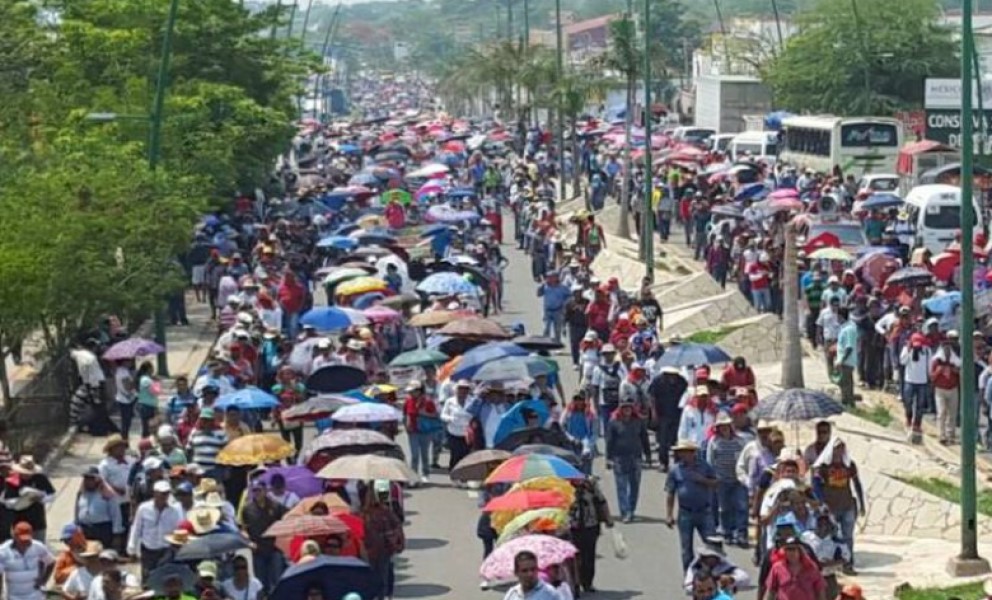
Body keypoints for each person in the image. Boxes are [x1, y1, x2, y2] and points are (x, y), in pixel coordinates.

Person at [811, 438, 864, 575]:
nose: (839, 452)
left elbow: (856, 483)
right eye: (836, 449)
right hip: (830, 507)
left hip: (847, 505)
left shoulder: (849, 465)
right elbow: (815, 484)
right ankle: (831, 562)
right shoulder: (823, 467)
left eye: (841, 448)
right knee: (832, 536)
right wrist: (821, 502)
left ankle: (848, 564)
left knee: (848, 536)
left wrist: (861, 502)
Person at [666, 439, 719, 571]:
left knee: (712, 545)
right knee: (686, 549)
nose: (682, 455)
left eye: (685, 452)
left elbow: (716, 482)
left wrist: (703, 480)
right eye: (680, 452)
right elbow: (670, 493)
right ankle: (689, 577)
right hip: (685, 513)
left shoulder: (704, 466)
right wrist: (669, 514)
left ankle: (712, 575)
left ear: (692, 453)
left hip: (704, 511)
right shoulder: (675, 470)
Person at [605, 399, 650, 523]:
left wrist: (648, 455)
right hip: (619, 458)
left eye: (629, 408)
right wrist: (608, 458)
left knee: (635, 485)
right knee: (621, 486)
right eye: (624, 408)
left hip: (635, 457)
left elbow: (644, 438)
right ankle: (624, 512)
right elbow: (609, 441)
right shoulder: (614, 423)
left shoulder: (638, 422)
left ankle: (631, 509)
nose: (627, 410)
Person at [239, 481, 286, 592]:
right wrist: (248, 542)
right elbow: (243, 529)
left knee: (276, 582)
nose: (257, 493)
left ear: (265, 490)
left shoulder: (276, 506)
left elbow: (284, 523)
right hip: (258, 549)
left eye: (259, 490)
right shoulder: (247, 508)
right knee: (261, 584)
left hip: (275, 548)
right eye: (254, 490)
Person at [569, 477, 613, 594]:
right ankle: (575, 584)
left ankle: (588, 583)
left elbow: (601, 501)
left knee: (589, 557)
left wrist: (608, 518)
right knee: (574, 558)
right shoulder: (561, 486)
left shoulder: (590, 483)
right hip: (571, 528)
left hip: (590, 526)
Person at [0, 522, 54, 600]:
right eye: (22, 540)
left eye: (27, 540)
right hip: (14, 597)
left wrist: (43, 580)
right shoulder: (3, 551)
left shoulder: (38, 547)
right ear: (14, 537)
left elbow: (51, 562)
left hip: (36, 596)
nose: (25, 543)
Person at [763, 536, 828, 600]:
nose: (791, 552)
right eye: (788, 549)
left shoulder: (812, 568)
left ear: (800, 551)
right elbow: (770, 592)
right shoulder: (777, 568)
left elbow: (820, 592)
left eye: (794, 549)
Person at [402, 381, 439, 484]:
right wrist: (406, 426)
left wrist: (425, 413)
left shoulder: (428, 401)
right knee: (414, 455)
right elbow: (405, 415)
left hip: (425, 432)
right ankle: (413, 476)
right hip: (412, 432)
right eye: (410, 392)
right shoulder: (408, 401)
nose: (410, 393)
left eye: (412, 391)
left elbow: (436, 415)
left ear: (419, 391)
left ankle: (425, 474)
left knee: (424, 454)